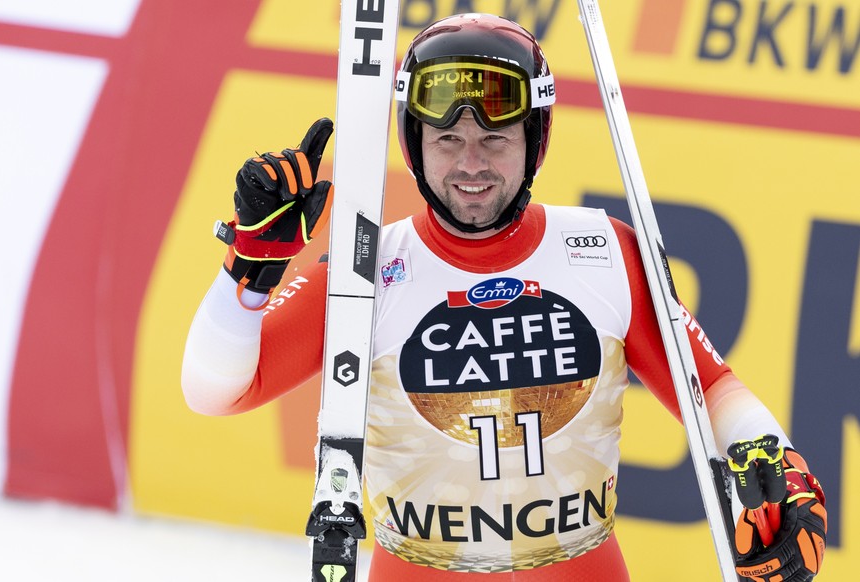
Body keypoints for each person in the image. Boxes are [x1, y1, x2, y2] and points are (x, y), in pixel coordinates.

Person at [182, 13, 826, 581]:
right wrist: (251, 271)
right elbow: (214, 390)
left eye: (495, 138)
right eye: (447, 140)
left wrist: (768, 455)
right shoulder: (365, 270)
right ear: (414, 143)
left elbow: (710, 387)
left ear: (534, 140)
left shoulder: (604, 251)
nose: (471, 164)